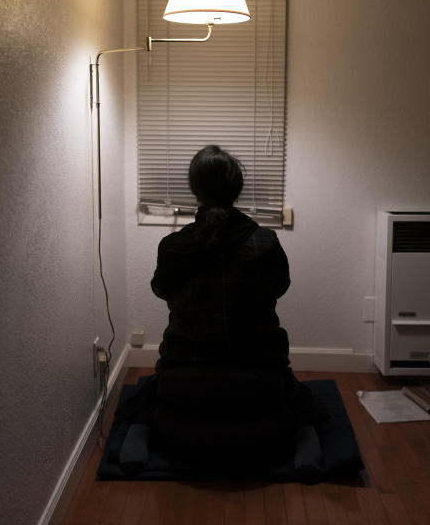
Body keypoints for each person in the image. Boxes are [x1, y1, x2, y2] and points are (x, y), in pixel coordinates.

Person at [117, 145, 325, 480]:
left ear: (194, 190)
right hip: (259, 379)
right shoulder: (266, 242)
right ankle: (304, 433)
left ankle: (140, 430)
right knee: (298, 396)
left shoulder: (173, 247)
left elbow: (161, 291)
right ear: (237, 190)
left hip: (184, 380)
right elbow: (280, 288)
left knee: (148, 391)